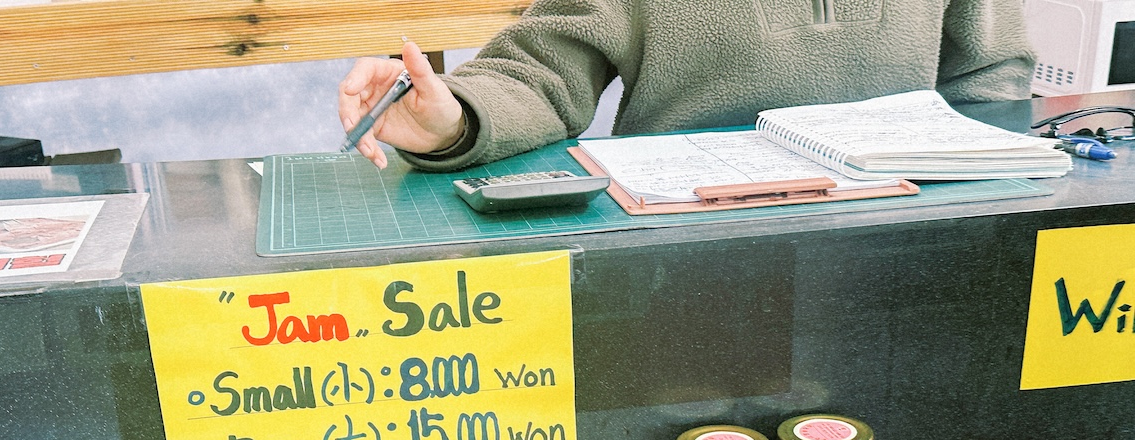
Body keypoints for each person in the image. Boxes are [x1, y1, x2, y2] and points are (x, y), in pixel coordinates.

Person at [338, 0, 1035, 172]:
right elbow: (544, 72)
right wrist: (453, 117)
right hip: (694, 269)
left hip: (900, 257)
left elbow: (989, 83)